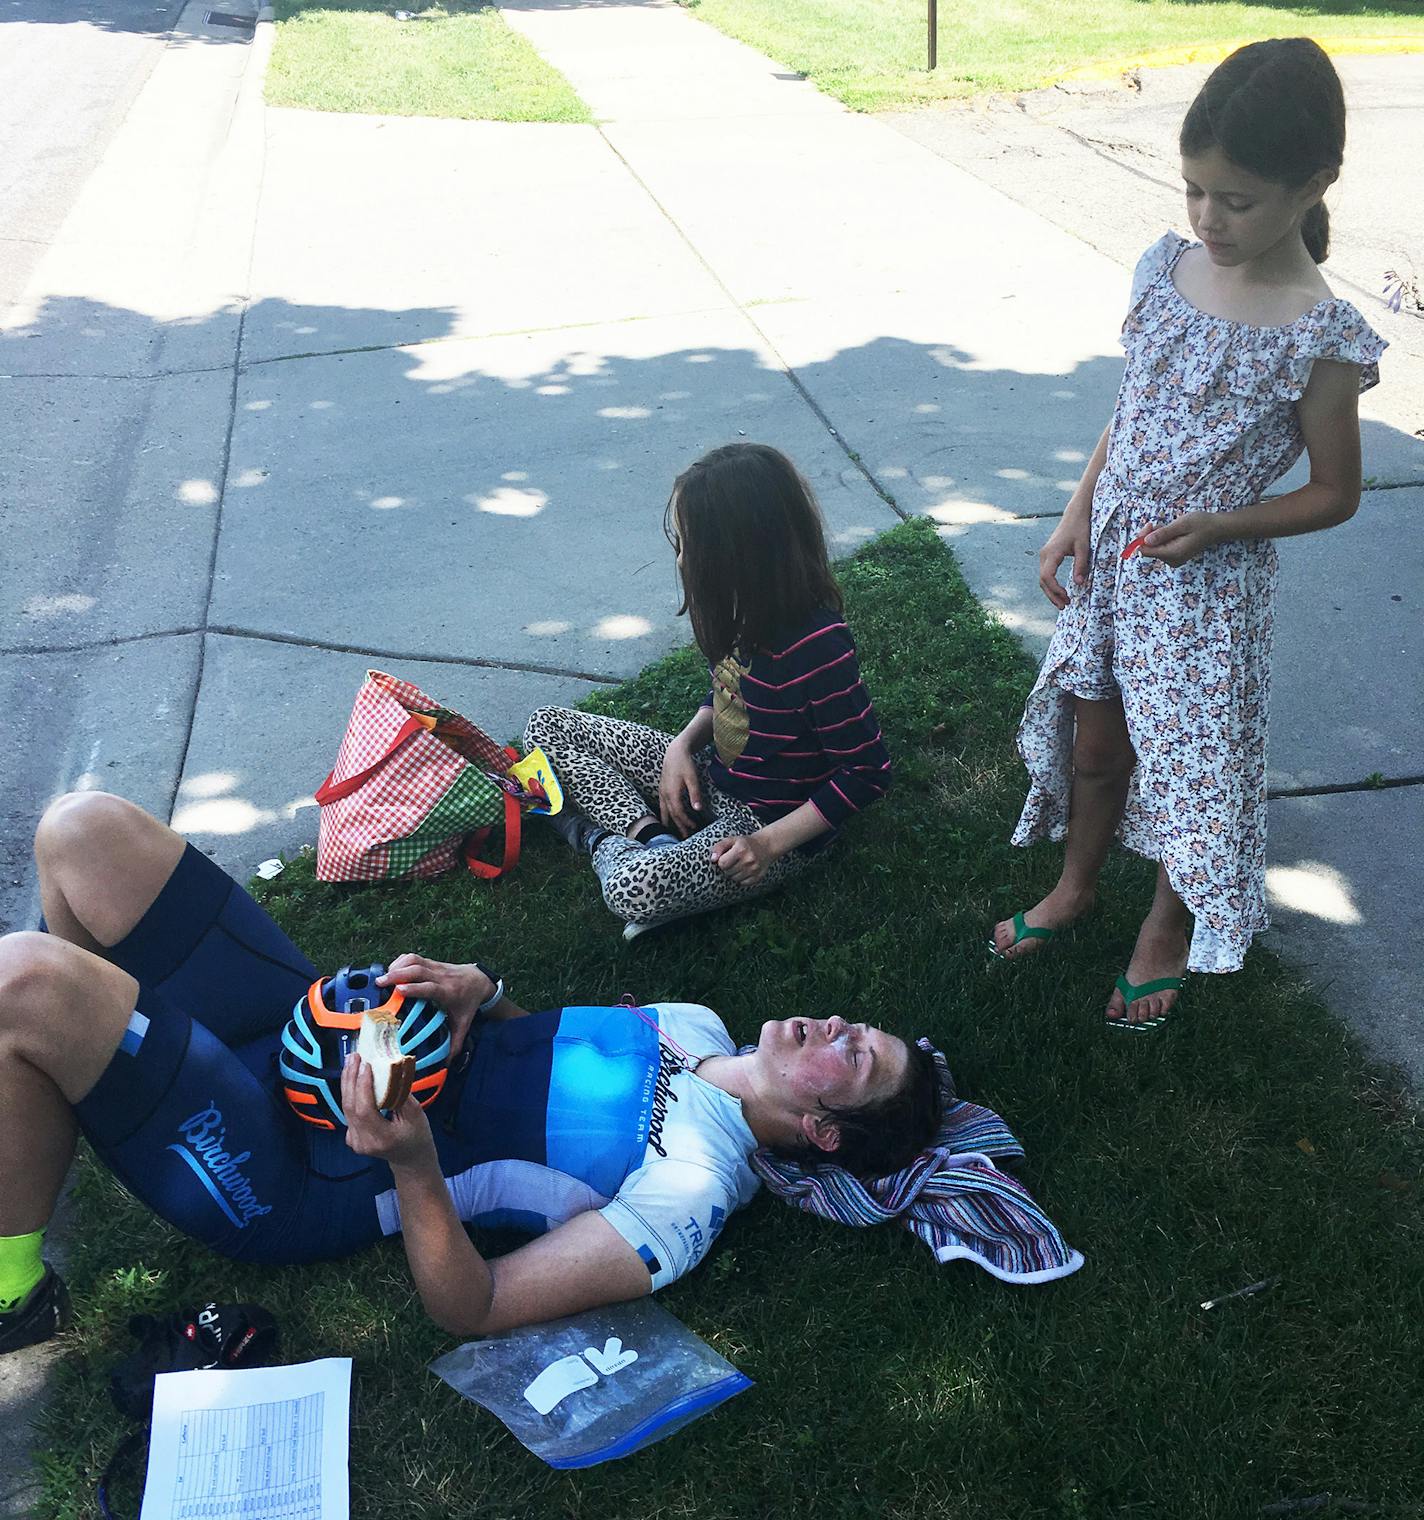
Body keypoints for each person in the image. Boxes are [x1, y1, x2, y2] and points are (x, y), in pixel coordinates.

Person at [0, 792, 939, 1355]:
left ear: (823, 1131)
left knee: (24, 983)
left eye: (853, 1054)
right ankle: (73, 1091)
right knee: (80, 831)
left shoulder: (691, 1194)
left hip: (315, 1166)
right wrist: (480, 992)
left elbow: (475, 1307)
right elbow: (537, 1056)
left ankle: (12, 1292)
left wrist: (410, 1159)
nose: (839, 1024)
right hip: (317, 1037)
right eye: (858, 1026)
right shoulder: (697, 1024)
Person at [992, 38, 1386, 1027]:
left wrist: (1220, 525)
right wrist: (1077, 509)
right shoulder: (1163, 266)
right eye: (1192, 192)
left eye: (1235, 200)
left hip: (1206, 590)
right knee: (1094, 741)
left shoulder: (1316, 331)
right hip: (1117, 558)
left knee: (1188, 769)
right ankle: (1076, 885)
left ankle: (1164, 925)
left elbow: (1333, 490)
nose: (1206, 219)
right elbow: (1130, 411)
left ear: (1313, 186)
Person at [525, 442, 891, 939]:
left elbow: (866, 773)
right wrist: (681, 745)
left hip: (763, 826)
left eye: (689, 542)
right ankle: (649, 834)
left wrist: (766, 845)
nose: (681, 556)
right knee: (547, 726)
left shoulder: (817, 648)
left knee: (633, 887)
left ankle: (591, 835)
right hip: (709, 777)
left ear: (737, 552)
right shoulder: (743, 610)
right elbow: (727, 692)